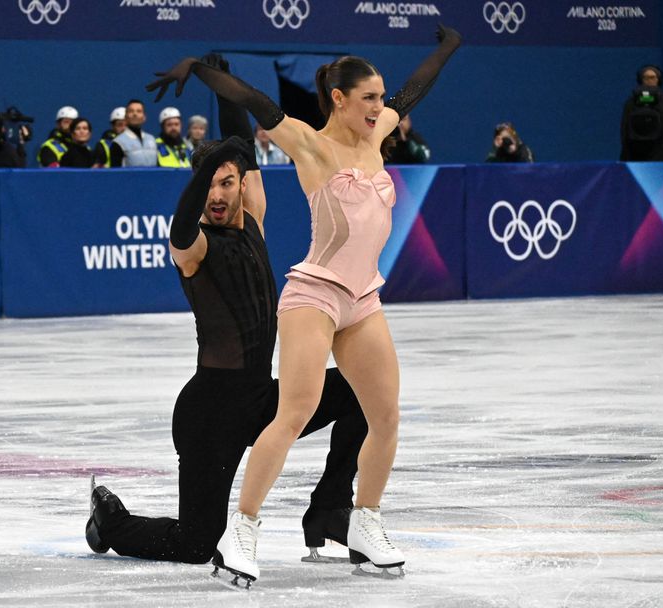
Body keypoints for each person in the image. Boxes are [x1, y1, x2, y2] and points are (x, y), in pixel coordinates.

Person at [148, 25, 462, 584]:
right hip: (314, 296)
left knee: (385, 415)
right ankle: (242, 530)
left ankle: (365, 521)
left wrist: (447, 48)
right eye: (368, 98)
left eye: (379, 97)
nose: (379, 107)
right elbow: (254, 102)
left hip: (363, 298)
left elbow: (414, 90)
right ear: (339, 99)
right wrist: (198, 68)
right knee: (294, 412)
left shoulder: (377, 134)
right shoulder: (310, 145)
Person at [86, 74, 368, 567]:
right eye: (208, 185)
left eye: (226, 183)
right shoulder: (194, 247)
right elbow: (181, 227)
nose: (216, 195)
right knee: (196, 545)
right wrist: (212, 164)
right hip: (209, 416)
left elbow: (246, 154)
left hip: (263, 401)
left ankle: (328, 508)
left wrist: (223, 90)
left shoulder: (253, 217)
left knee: (363, 390)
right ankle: (111, 522)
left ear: (241, 184)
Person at [620, 65, 663, 161]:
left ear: (658, 79)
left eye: (652, 77)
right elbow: (624, 127)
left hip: (659, 152)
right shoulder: (631, 102)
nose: (649, 80)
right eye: (645, 78)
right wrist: (625, 150)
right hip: (634, 153)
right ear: (641, 80)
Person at [109, 99, 158, 167]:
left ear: (144, 117)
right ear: (125, 117)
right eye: (131, 111)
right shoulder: (118, 143)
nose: (135, 114)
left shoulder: (151, 139)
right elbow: (115, 172)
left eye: (139, 111)